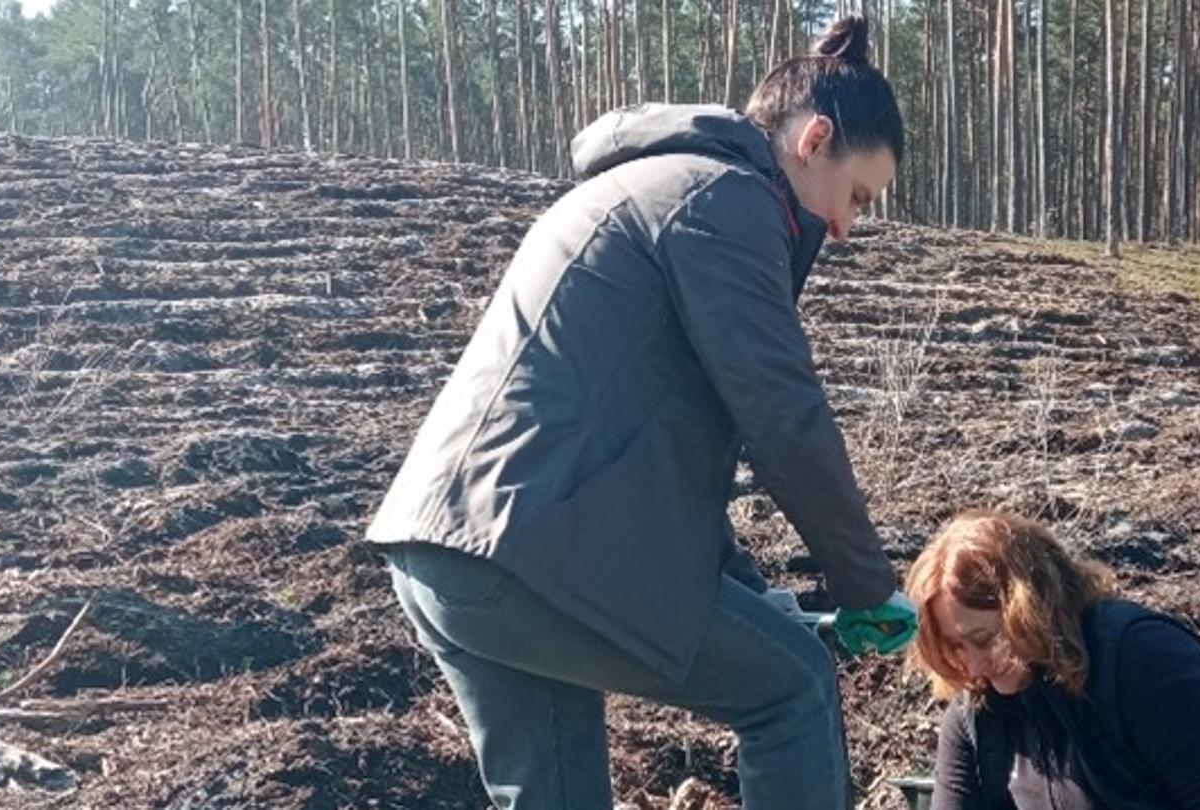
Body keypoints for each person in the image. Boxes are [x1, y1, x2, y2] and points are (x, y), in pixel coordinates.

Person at [364, 17, 915, 809]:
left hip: (448, 554)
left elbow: (648, 452)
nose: (845, 226)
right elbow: (782, 416)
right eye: (857, 195)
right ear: (814, 138)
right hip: (528, 552)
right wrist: (868, 586)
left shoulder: (651, 187)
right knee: (792, 687)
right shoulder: (725, 201)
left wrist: (759, 596)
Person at [907, 510, 1200, 810]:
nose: (975, 667)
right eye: (954, 650)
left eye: (984, 640)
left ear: (1033, 610)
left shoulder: (1143, 661)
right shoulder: (977, 716)